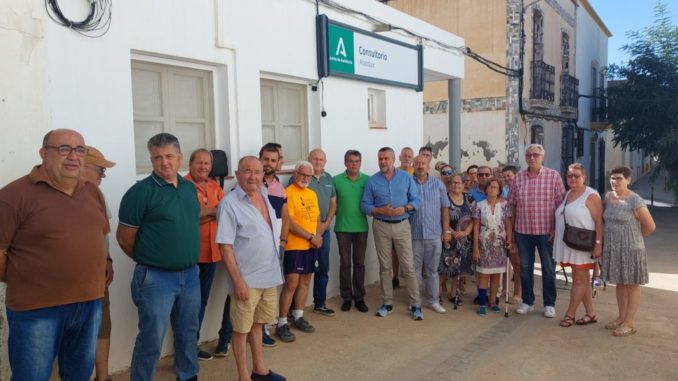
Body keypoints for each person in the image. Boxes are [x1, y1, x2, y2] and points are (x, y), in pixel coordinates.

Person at [0, 129, 109, 381]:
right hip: (36, 309)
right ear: (43, 153)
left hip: (89, 304)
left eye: (79, 150)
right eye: (63, 149)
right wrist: (25, 279)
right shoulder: (13, 196)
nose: (73, 156)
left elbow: (98, 237)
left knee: (79, 375)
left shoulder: (92, 192)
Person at [117, 133, 200, 381]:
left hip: (191, 275)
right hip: (155, 278)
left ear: (180, 157)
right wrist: (152, 258)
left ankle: (187, 375)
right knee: (151, 338)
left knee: (188, 332)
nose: (164, 162)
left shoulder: (188, 187)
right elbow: (124, 238)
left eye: (169, 156)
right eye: (157, 157)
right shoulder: (140, 193)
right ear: (151, 160)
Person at [216, 156, 286, 381]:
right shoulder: (229, 204)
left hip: (269, 275)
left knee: (258, 325)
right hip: (247, 280)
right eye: (247, 171)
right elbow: (225, 246)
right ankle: (243, 376)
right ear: (237, 175)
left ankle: (260, 370)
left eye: (257, 171)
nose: (253, 176)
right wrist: (237, 281)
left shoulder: (264, 195)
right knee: (241, 329)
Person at [361, 147, 422, 320]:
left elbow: (416, 200)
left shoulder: (406, 178)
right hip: (381, 226)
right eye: (380, 159)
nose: (383, 162)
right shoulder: (373, 181)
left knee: (408, 266)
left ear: (393, 159)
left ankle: (415, 304)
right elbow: (364, 205)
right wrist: (380, 210)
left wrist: (405, 208)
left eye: (386, 158)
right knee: (385, 267)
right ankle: (387, 303)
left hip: (402, 225)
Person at [509, 144, 565, 318]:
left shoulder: (553, 176)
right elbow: (512, 206)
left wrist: (556, 229)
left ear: (542, 157)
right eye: (528, 155)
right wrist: (511, 233)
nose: (532, 157)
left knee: (548, 268)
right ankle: (528, 301)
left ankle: (549, 303)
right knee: (525, 268)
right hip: (523, 231)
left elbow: (561, 205)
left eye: (535, 155)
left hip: (546, 231)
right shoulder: (518, 178)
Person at [601, 166, 656, 336]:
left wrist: (634, 240)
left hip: (631, 249)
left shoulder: (635, 200)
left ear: (628, 180)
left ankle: (630, 322)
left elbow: (650, 226)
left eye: (619, 178)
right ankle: (621, 317)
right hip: (613, 249)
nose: (615, 181)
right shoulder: (608, 197)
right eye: (612, 178)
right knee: (619, 283)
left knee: (631, 285)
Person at [184, 149, 226, 360]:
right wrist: (212, 212)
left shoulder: (214, 186)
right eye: (199, 163)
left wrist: (204, 213)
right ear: (190, 164)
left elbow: (225, 212)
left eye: (207, 163)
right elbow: (188, 217)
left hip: (212, 254)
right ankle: (185, 350)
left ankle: (192, 346)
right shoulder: (183, 186)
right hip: (191, 255)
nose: (203, 167)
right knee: (187, 305)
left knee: (201, 302)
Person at [276, 162, 323, 342]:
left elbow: (318, 218)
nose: (305, 178)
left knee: (305, 281)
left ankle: (298, 315)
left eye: (308, 176)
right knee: (291, 284)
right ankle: (281, 322)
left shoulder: (312, 193)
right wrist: (312, 238)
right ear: (295, 174)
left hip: (311, 246)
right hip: (294, 246)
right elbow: (291, 224)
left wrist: (317, 236)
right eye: (302, 174)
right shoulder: (287, 193)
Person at [553, 163, 603, 327]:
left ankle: (570, 314)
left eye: (576, 176)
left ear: (584, 178)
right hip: (571, 243)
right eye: (569, 176)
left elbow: (599, 221)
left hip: (583, 245)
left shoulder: (591, 195)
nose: (573, 178)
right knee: (582, 280)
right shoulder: (569, 193)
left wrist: (598, 245)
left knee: (579, 281)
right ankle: (590, 313)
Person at [83, 145, 117, 381]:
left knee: (102, 326)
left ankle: (102, 377)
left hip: (98, 276)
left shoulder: (97, 195)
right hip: (69, 281)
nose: (103, 176)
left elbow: (103, 233)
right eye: (100, 170)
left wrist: (108, 259)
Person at [410, 155, 451, 314]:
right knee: (415, 271)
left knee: (432, 270)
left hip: (434, 235)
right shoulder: (408, 184)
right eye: (418, 163)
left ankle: (433, 300)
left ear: (428, 166)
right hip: (414, 235)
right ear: (414, 165)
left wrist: (446, 230)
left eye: (423, 163)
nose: (420, 166)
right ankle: (416, 301)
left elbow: (445, 208)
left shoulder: (438, 185)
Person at [334, 150, 370, 312]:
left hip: (361, 228)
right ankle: (347, 297)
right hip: (342, 228)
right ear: (345, 162)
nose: (353, 164)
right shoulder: (336, 180)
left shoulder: (368, 180)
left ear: (360, 163)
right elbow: (331, 204)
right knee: (345, 264)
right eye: (350, 161)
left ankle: (359, 297)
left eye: (356, 161)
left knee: (360, 264)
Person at [472, 178, 513, 316]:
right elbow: (476, 227)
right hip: (484, 245)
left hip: (499, 245)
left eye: (495, 187)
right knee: (484, 274)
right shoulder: (479, 205)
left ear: (499, 190)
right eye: (489, 186)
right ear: (485, 189)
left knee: (496, 274)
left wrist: (509, 239)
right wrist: (476, 248)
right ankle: (482, 303)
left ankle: (493, 302)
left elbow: (508, 223)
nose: (492, 189)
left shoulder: (505, 205)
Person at [306, 148, 337, 317]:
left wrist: (325, 225)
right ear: (308, 159)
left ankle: (320, 303)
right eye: (315, 158)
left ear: (325, 162)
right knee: (302, 271)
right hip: (305, 232)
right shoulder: (302, 177)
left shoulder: (328, 178)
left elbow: (333, 204)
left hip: (324, 230)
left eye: (321, 159)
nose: (318, 162)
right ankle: (293, 310)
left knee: (323, 268)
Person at [439, 173, 475, 304]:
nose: (456, 185)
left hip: (465, 240)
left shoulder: (469, 198)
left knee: (458, 269)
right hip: (449, 238)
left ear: (463, 185)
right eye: (453, 182)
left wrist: (466, 231)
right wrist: (452, 232)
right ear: (449, 184)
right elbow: (441, 218)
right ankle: (436, 294)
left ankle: (453, 294)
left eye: (459, 183)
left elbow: (474, 218)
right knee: (444, 267)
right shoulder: (445, 198)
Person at [501, 165, 521, 304]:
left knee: (517, 264)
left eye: (509, 175)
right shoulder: (503, 191)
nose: (507, 178)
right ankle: (505, 290)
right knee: (509, 262)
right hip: (505, 229)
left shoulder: (519, 189)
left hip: (517, 229)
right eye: (505, 176)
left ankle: (518, 292)